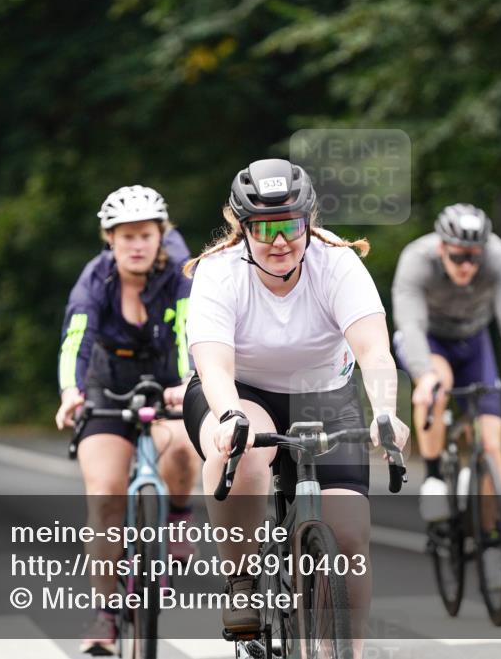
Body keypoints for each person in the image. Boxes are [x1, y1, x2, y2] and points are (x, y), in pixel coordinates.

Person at [182, 159, 410, 657]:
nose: (280, 240)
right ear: (242, 229)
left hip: (323, 393)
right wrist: (228, 417)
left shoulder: (338, 263)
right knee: (238, 455)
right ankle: (241, 579)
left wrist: (386, 412)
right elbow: (215, 366)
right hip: (241, 391)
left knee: (349, 539)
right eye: (264, 228)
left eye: (291, 225)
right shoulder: (219, 273)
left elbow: (373, 350)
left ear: (309, 220)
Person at [54, 185, 200, 655]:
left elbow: (188, 334)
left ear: (162, 236)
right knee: (104, 495)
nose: (136, 245)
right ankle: (104, 614)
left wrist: (189, 383)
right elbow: (76, 337)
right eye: (126, 237)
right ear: (110, 240)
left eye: (146, 235)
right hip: (106, 383)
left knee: (181, 444)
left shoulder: (180, 276)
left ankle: (177, 515)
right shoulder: (95, 279)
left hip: (166, 380)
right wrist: (71, 392)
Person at [391, 203, 501, 522]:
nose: (467, 265)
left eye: (474, 257)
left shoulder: (499, 258)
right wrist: (424, 376)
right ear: (441, 248)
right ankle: (435, 476)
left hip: (474, 339)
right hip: (430, 340)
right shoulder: (417, 260)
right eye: (458, 257)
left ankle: (491, 536)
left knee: (492, 443)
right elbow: (411, 326)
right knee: (440, 382)